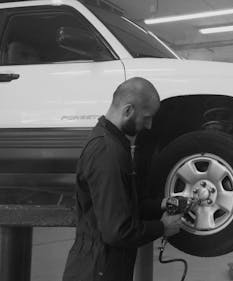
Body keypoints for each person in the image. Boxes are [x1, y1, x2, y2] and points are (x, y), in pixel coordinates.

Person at [62, 77, 182, 281]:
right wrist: (162, 227)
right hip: (97, 272)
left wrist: (161, 205)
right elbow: (117, 231)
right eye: (146, 117)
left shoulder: (115, 144)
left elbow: (123, 207)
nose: (149, 125)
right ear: (128, 111)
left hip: (103, 266)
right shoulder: (107, 153)